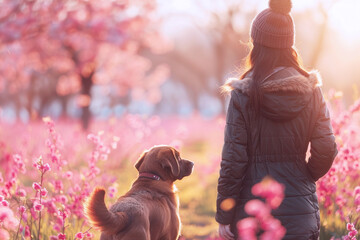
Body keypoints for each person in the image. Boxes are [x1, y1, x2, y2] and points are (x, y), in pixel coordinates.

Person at [215, 0, 338, 239]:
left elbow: (233, 160)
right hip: (301, 214)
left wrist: (224, 215)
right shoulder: (313, 90)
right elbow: (327, 148)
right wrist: (302, 175)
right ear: (289, 45)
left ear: (256, 44)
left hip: (254, 214)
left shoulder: (242, 94)